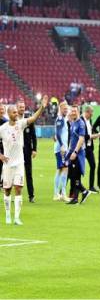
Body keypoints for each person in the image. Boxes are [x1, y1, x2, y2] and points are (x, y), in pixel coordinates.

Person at [0, 96, 48, 225]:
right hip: (8, 165)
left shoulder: (20, 124)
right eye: (14, 112)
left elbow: (33, 118)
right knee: (7, 190)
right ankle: (8, 215)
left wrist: (42, 107)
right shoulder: (2, 128)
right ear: (8, 113)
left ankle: (16, 217)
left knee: (19, 189)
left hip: (19, 163)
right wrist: (0, 155)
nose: (17, 114)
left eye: (17, 112)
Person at [65, 106, 92, 205]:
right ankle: (76, 197)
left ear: (79, 112)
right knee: (73, 176)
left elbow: (81, 139)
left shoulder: (80, 123)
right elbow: (72, 139)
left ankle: (84, 191)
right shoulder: (73, 123)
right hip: (72, 153)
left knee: (75, 176)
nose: (73, 113)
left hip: (78, 154)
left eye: (75, 111)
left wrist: (75, 152)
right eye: (72, 111)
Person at [16, 100, 37, 203]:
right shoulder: (14, 120)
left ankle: (31, 195)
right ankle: (15, 195)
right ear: (17, 107)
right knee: (15, 173)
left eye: (23, 107)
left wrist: (34, 149)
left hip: (27, 151)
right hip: (16, 151)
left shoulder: (29, 119)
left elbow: (33, 135)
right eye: (20, 107)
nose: (22, 108)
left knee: (28, 173)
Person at [82, 105, 100, 192]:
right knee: (80, 168)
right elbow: (84, 136)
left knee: (93, 165)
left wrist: (95, 135)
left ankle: (91, 186)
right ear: (87, 112)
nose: (92, 114)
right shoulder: (81, 120)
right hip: (82, 148)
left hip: (89, 147)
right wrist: (97, 135)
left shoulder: (89, 121)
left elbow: (90, 133)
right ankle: (77, 187)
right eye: (91, 113)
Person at [53, 101, 69, 201]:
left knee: (61, 169)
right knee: (64, 169)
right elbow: (58, 134)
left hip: (61, 148)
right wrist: (62, 145)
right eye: (64, 109)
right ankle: (61, 193)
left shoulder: (62, 119)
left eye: (67, 109)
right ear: (60, 109)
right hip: (61, 149)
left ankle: (58, 193)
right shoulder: (60, 119)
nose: (66, 110)